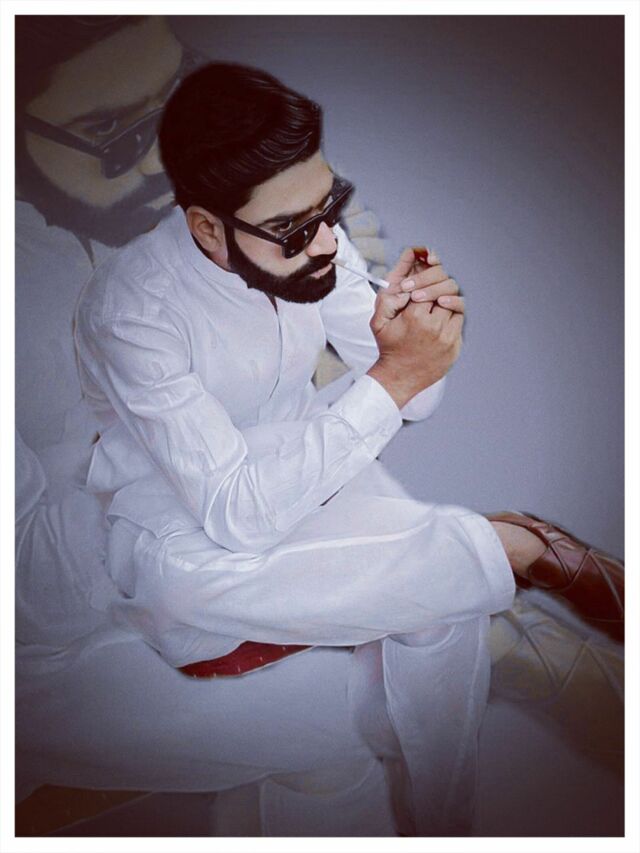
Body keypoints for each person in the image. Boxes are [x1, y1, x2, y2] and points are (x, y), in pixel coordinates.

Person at [69, 60, 624, 834]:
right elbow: (236, 513)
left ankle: (442, 824)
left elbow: (416, 396)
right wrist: (395, 376)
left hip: (311, 489)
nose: (328, 240)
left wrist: (416, 332)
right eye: (297, 229)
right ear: (207, 228)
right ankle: (523, 547)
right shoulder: (131, 309)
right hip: (188, 552)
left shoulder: (308, 243)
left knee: (444, 601)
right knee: (444, 583)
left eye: (330, 206)